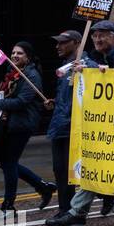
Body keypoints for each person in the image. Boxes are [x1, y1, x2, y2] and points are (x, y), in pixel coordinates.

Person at [46, 21, 114, 226]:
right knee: (97, 164)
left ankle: (79, 212)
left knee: (113, 165)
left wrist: (101, 72)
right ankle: (82, 212)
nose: (98, 40)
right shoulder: (94, 56)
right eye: (95, 36)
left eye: (103, 35)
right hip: (103, 123)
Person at [0, 41, 54, 211]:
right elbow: (6, 96)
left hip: (21, 124)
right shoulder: (14, 73)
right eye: (13, 52)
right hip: (7, 122)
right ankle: (42, 186)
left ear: (28, 57)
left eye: (20, 53)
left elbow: (22, 101)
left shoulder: (31, 76)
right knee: (5, 161)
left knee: (8, 162)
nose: (15, 56)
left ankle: (8, 206)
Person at [44, 30, 82, 213]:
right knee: (59, 170)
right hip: (59, 126)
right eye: (57, 42)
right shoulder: (65, 67)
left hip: (74, 129)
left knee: (72, 173)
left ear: (75, 43)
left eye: (62, 43)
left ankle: (73, 212)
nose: (57, 46)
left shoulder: (85, 65)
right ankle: (63, 210)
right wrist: (54, 102)